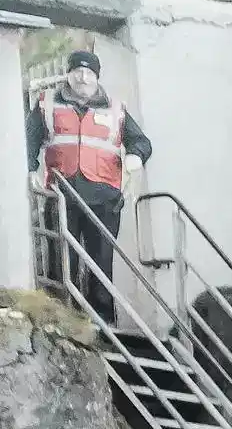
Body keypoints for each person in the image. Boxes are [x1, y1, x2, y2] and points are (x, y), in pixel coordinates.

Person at [26, 51, 150, 301]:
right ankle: (61, 316)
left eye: (89, 73)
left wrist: (135, 156)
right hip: (61, 195)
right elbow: (27, 141)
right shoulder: (47, 103)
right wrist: (30, 168)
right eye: (77, 72)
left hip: (104, 198)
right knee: (61, 259)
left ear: (97, 77)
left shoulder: (116, 109)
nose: (83, 78)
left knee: (101, 261)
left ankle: (102, 322)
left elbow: (141, 142)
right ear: (68, 74)